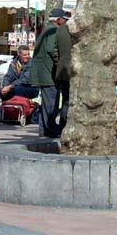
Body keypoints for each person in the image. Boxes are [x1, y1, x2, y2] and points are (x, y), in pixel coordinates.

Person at [31, 8, 72, 139]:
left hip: (44, 72)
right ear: (58, 20)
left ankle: (43, 130)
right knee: (51, 104)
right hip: (48, 73)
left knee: (47, 103)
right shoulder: (54, 31)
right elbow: (52, 49)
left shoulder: (46, 29)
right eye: (64, 19)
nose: (65, 22)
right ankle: (50, 130)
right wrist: (60, 63)